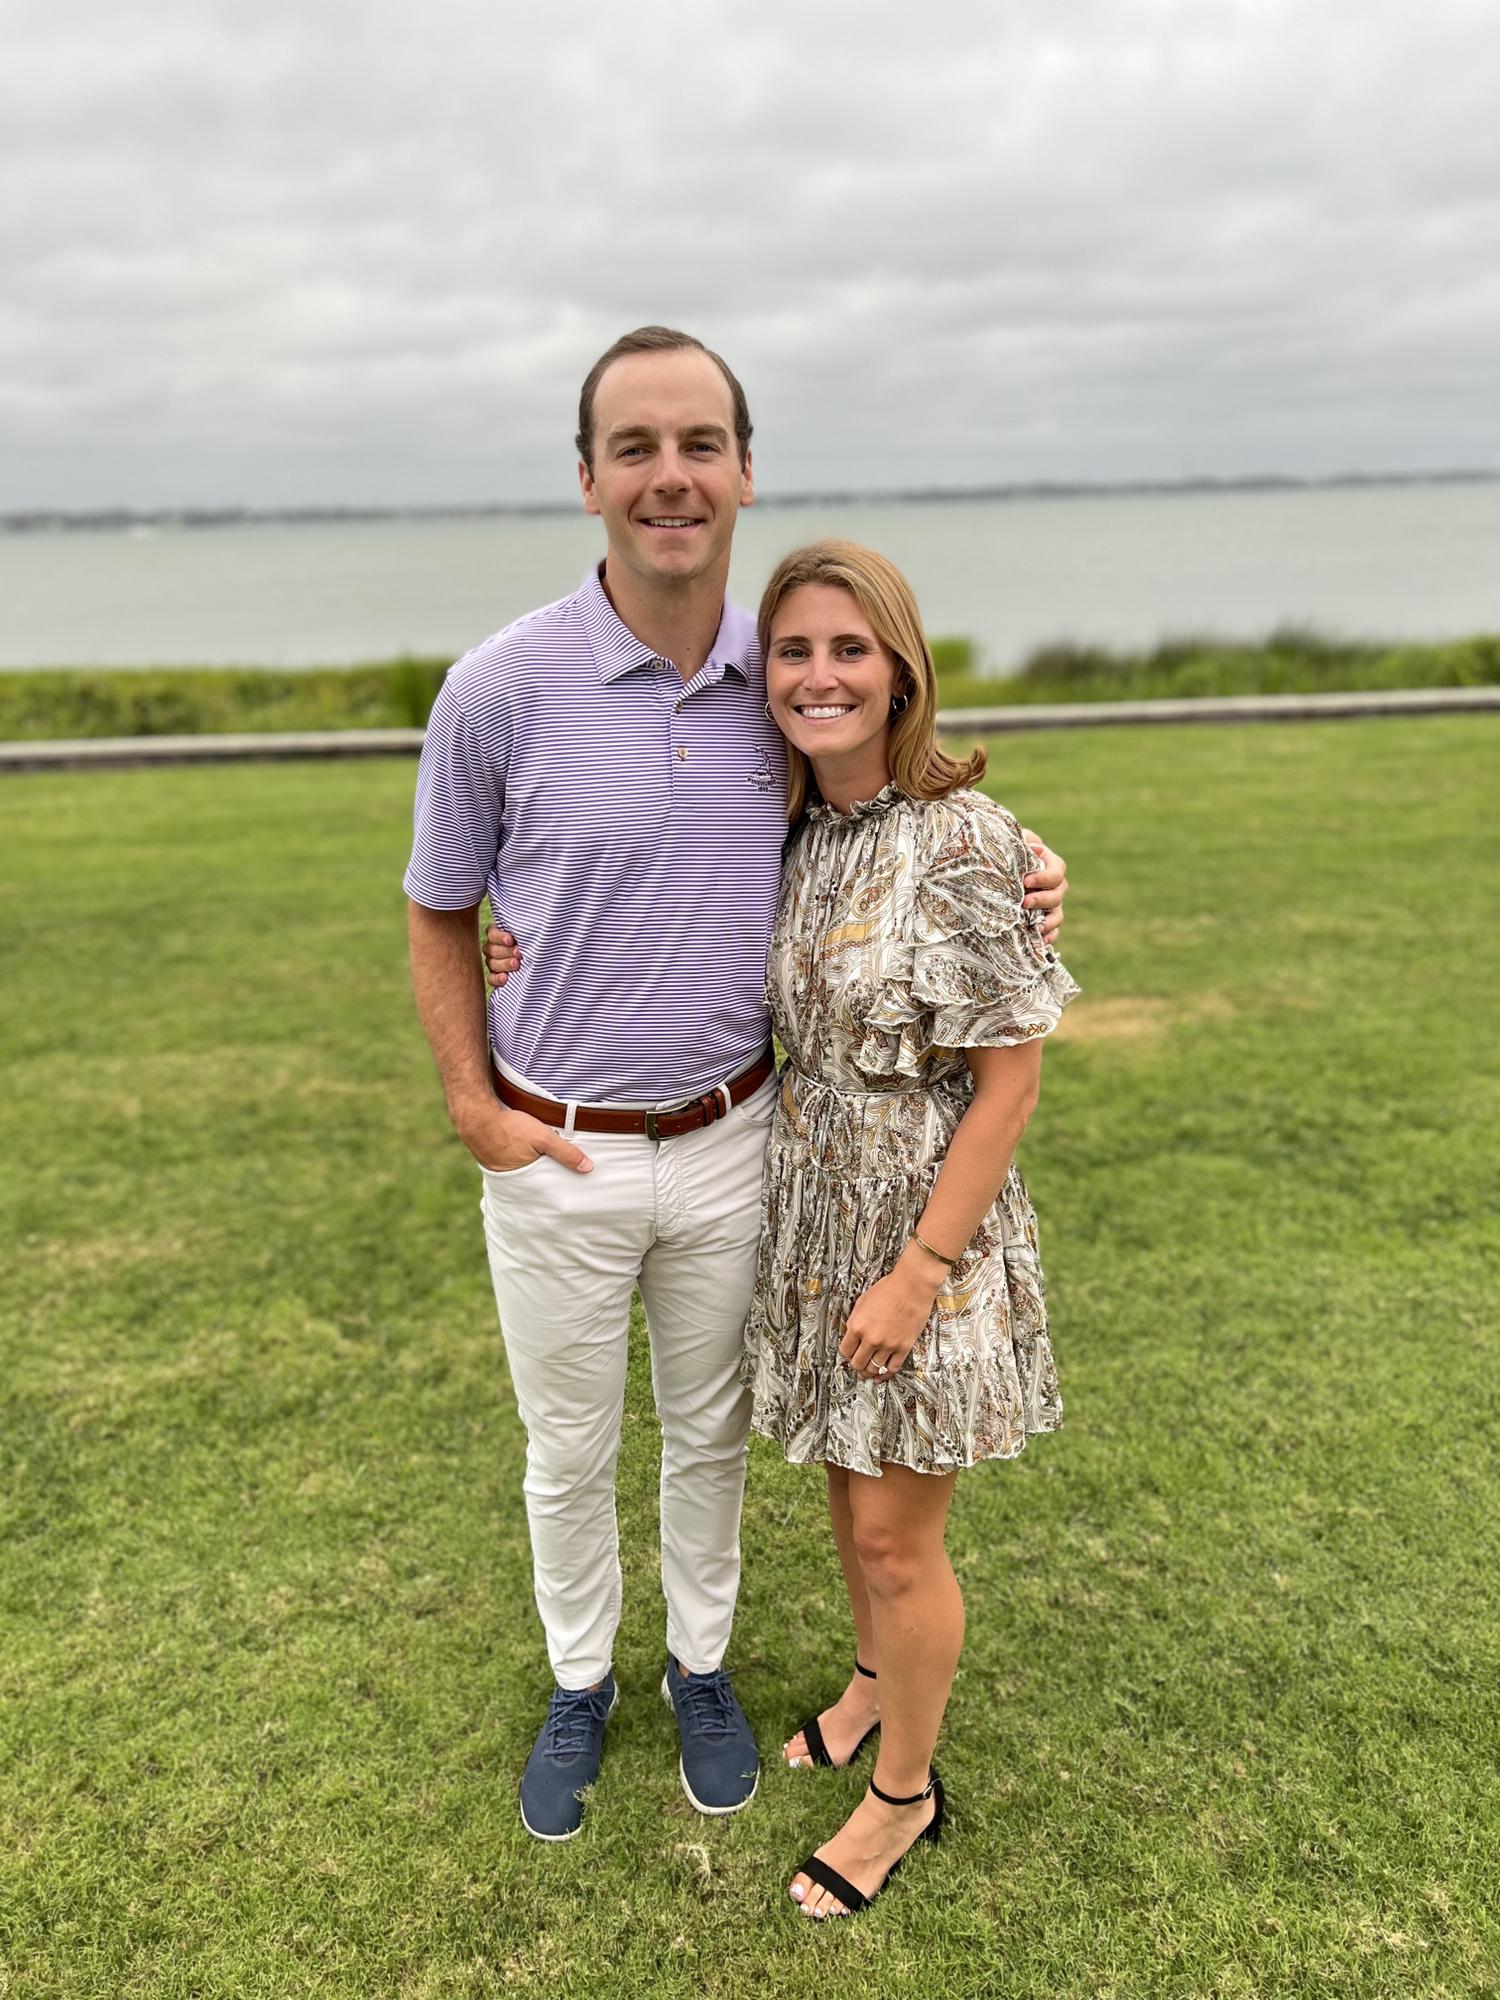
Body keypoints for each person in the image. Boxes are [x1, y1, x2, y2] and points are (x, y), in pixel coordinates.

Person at [407, 326, 1070, 1844]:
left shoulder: (772, 681)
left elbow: (895, 809)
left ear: (745, 471)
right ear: (587, 478)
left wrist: (1024, 860)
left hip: (736, 1142)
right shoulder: (497, 689)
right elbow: (440, 903)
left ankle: (700, 1667)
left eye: (700, 444)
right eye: (634, 447)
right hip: (557, 1148)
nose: (671, 476)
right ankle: (582, 1682)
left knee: (711, 1438)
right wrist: (472, 1103)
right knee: (568, 1451)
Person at [745, 538, 1078, 1920]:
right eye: (793, 651)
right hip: (814, 1208)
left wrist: (919, 1275)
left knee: (896, 1533)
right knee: (845, 1484)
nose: (819, 676)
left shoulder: (966, 840)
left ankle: (904, 1797)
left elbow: (1011, 1082)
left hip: (922, 1228)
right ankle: (873, 1683)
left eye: (849, 649)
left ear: (901, 671)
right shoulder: (788, 830)